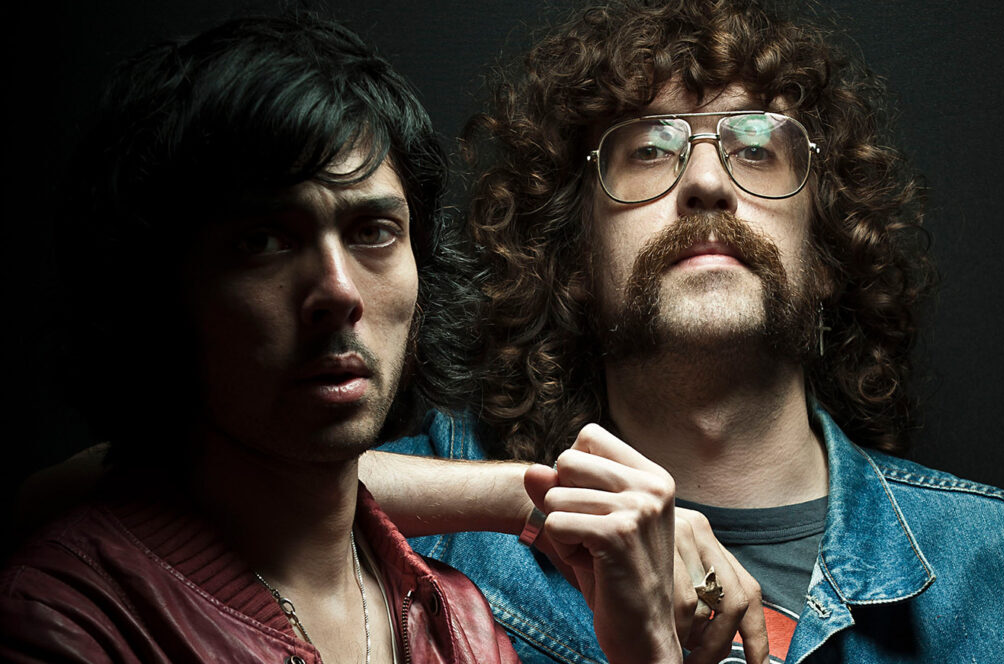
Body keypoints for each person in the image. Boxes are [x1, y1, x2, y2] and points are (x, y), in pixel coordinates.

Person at [362, 1, 1004, 663]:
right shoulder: (448, 536)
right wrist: (535, 499)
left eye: (757, 147)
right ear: (575, 260)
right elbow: (290, 490)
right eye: (650, 150)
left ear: (826, 253)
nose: (706, 182)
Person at [0, 13, 671, 664]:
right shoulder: (69, 617)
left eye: (372, 232)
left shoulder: (458, 623)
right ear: (161, 288)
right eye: (264, 241)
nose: (338, 291)